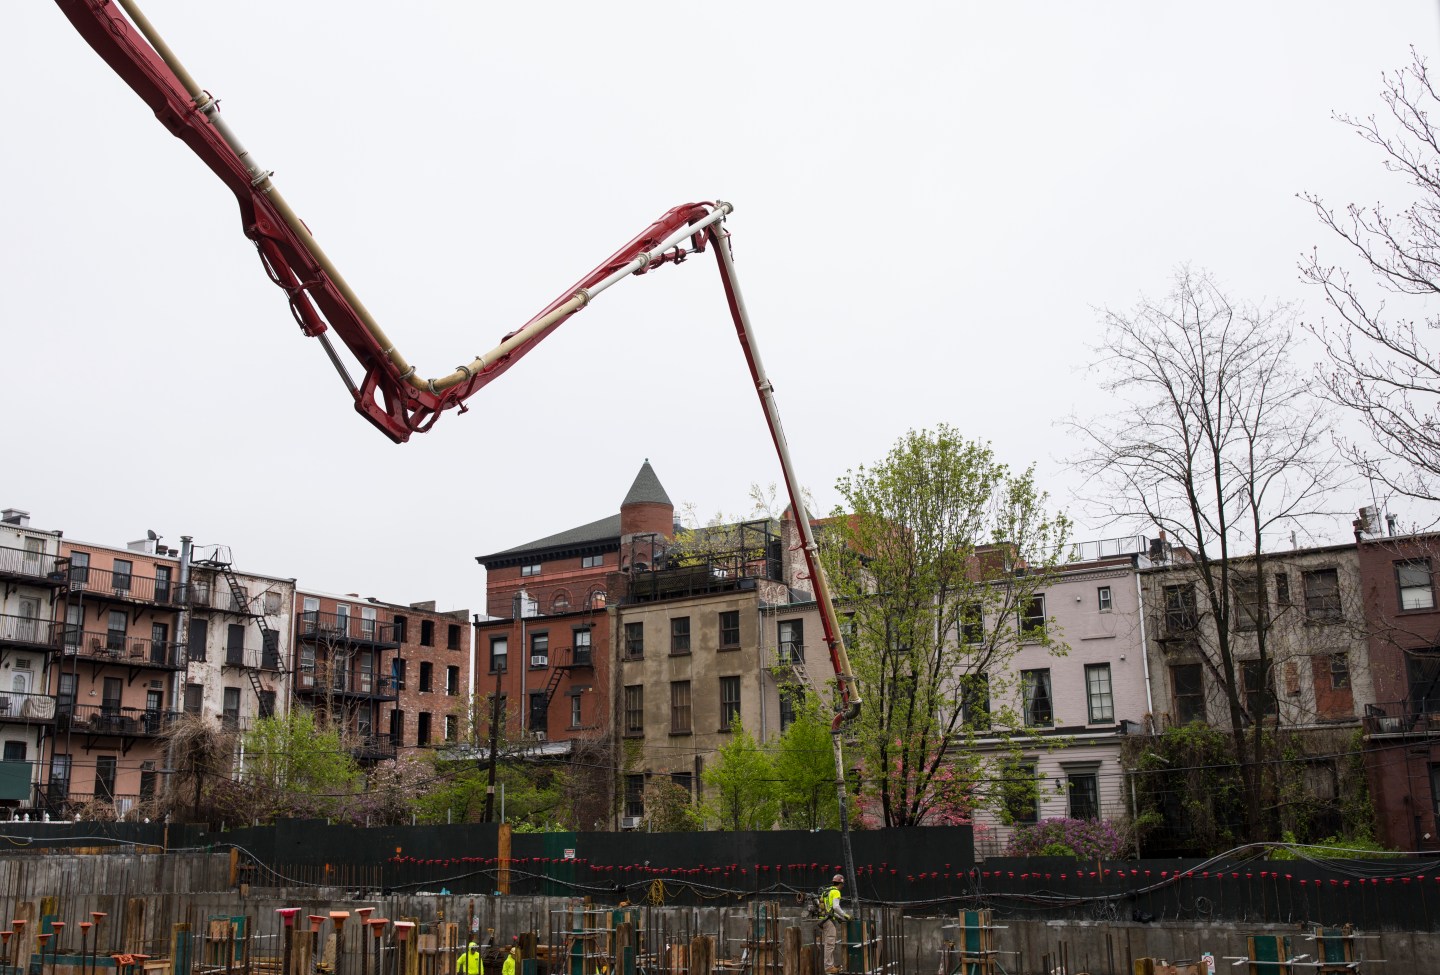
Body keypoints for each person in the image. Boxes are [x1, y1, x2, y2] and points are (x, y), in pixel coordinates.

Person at [820, 873, 849, 973]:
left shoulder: (825, 891)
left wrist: (836, 917)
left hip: (824, 919)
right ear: (841, 884)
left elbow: (826, 908)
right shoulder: (836, 892)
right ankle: (828, 967)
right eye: (842, 884)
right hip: (828, 921)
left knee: (828, 943)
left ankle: (830, 965)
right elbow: (836, 907)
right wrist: (845, 915)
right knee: (830, 944)